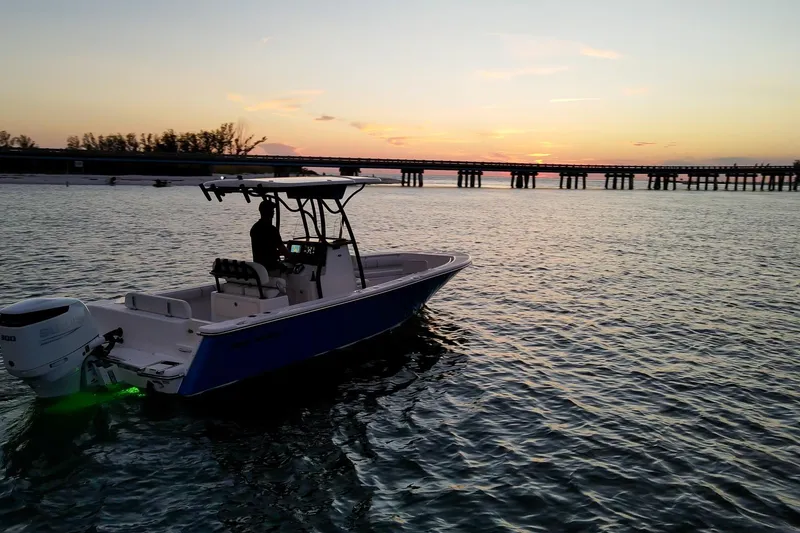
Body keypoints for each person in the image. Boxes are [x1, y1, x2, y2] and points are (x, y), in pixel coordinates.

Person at [250, 201, 289, 272]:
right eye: (272, 210)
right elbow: (283, 250)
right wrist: (295, 257)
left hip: (259, 267)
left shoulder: (255, 228)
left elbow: (265, 249)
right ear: (268, 212)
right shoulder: (272, 230)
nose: (273, 212)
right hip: (271, 267)